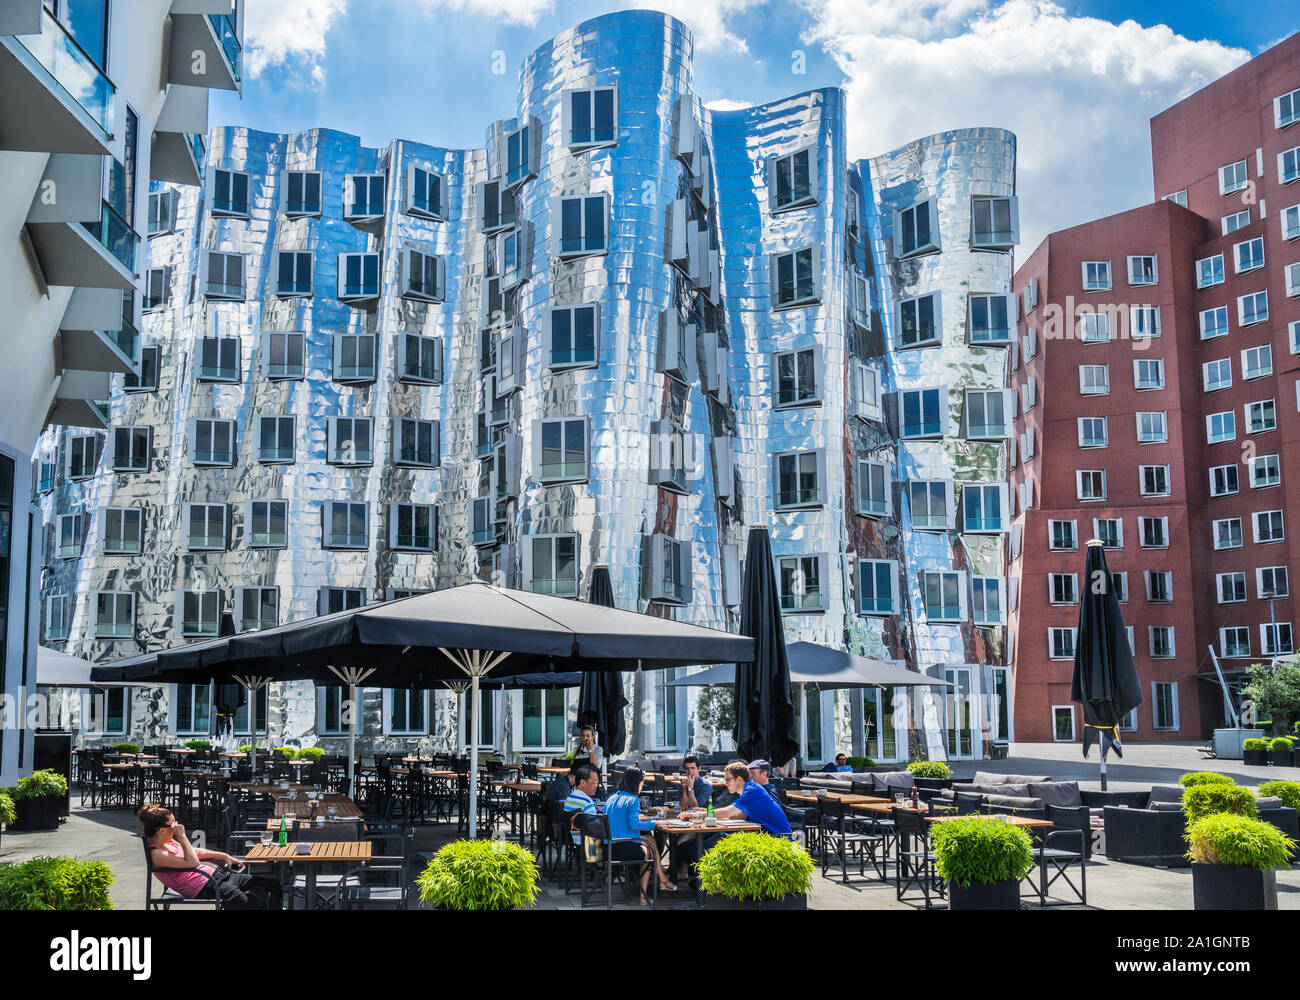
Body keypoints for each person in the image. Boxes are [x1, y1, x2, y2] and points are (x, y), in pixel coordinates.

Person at [139, 803, 282, 910]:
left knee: (272, 885)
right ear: (162, 830)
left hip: (218, 877)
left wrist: (224, 855)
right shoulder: (157, 854)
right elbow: (193, 863)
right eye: (174, 825)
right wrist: (182, 837)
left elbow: (195, 852)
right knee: (249, 905)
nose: (178, 826)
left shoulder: (168, 841)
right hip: (206, 887)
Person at [604, 768, 676, 905]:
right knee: (649, 851)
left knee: (650, 840)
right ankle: (647, 894)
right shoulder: (633, 800)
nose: (642, 787)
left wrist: (637, 817)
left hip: (609, 846)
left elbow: (616, 819)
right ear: (636, 784)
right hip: (623, 847)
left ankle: (662, 881)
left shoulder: (611, 799)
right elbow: (634, 825)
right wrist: (654, 823)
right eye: (642, 784)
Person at [715, 761, 791, 836]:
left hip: (778, 839)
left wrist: (706, 814)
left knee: (714, 841)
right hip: (767, 836)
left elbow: (728, 812)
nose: (725, 783)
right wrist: (713, 816)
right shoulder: (749, 788)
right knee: (719, 838)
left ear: (739, 779)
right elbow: (740, 816)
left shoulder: (752, 790)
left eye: (727, 779)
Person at [563, 763, 601, 846]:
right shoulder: (587, 803)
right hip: (591, 847)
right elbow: (595, 829)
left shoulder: (570, 797)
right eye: (594, 782)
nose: (596, 786)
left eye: (597, 782)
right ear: (583, 782)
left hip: (576, 843)